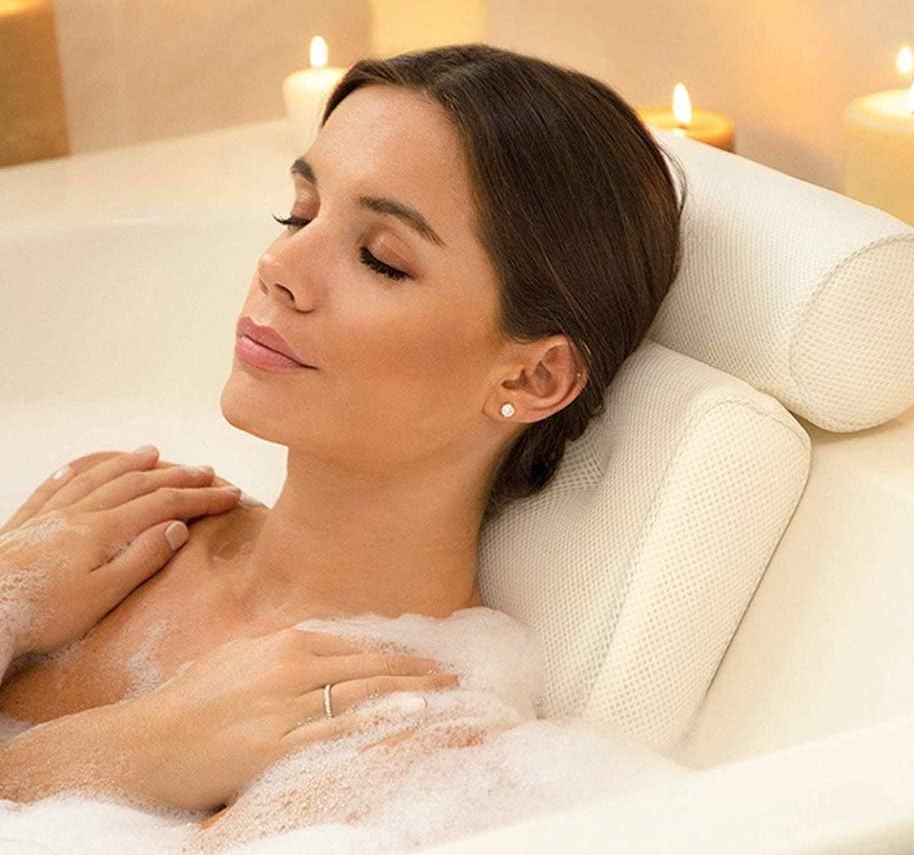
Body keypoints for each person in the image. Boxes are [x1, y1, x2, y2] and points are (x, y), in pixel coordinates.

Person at [0, 42, 687, 819]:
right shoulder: (110, 525)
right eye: (298, 212)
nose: (280, 263)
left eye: (380, 258)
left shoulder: (402, 740)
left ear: (532, 379)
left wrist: (121, 753)